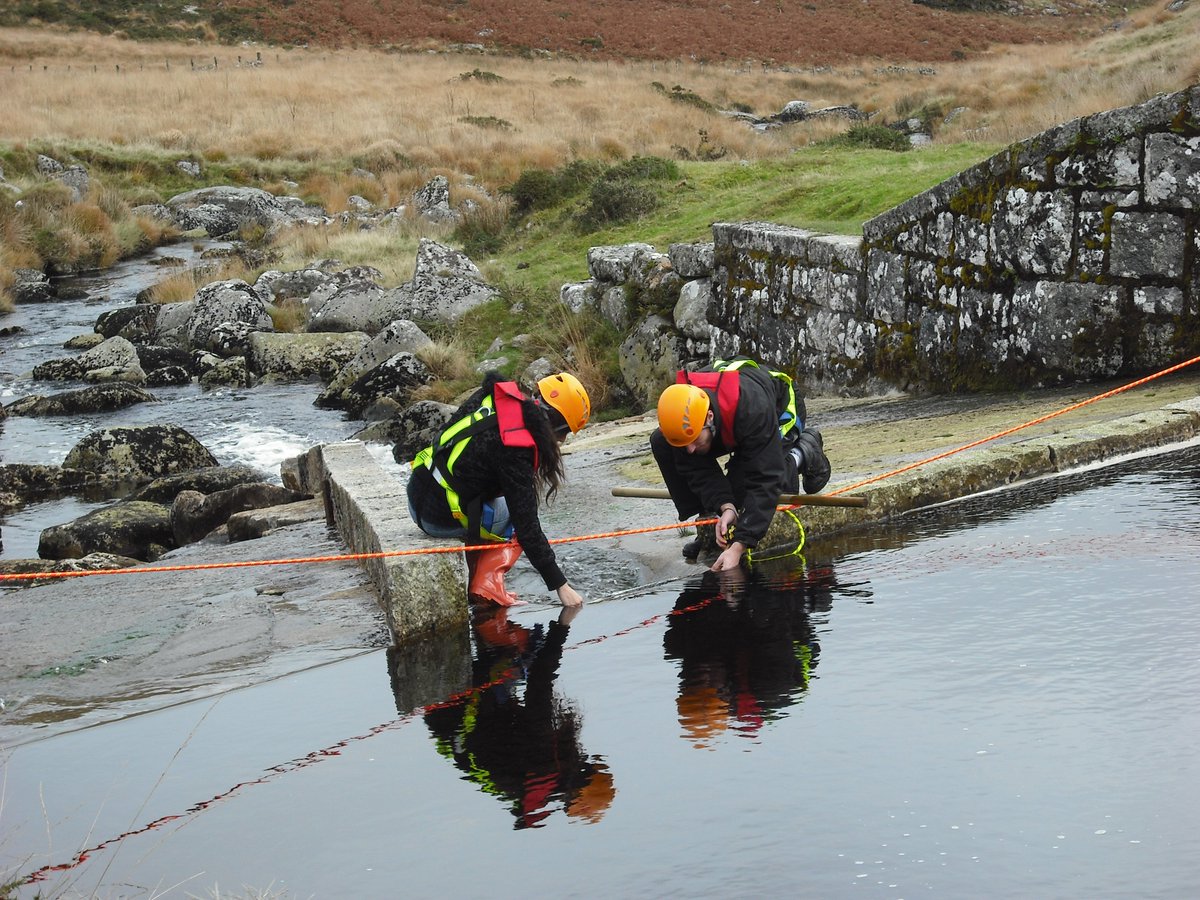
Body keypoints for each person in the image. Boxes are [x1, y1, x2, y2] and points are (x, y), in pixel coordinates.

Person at [407, 370, 590, 607]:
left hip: (418, 493)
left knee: (509, 497)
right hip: (437, 517)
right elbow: (527, 527)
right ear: (556, 424)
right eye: (564, 433)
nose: (561, 441)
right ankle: (487, 584)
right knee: (521, 512)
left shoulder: (493, 397)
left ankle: (478, 577)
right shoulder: (516, 446)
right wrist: (561, 586)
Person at [650, 356, 831, 572]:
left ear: (708, 418)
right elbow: (696, 469)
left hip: (779, 408)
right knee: (663, 443)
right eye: (686, 443)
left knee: (749, 484)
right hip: (726, 424)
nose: (690, 450)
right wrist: (725, 506)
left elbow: (765, 478)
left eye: (694, 441)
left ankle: (804, 451)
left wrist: (739, 545)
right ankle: (710, 526)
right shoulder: (684, 413)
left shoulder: (753, 409)